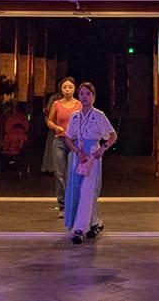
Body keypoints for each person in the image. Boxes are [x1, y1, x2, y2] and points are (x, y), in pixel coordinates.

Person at [62, 81, 117, 244]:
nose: (84, 97)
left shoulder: (99, 115)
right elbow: (68, 138)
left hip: (92, 156)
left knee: (87, 191)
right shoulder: (75, 116)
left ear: (93, 97)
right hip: (78, 156)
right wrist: (77, 152)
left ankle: (80, 229)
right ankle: (95, 222)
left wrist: (102, 148)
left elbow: (113, 136)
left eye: (88, 94)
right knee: (78, 190)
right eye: (82, 94)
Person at [43, 78, 81, 215]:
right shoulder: (56, 104)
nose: (67, 90)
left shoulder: (79, 105)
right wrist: (56, 127)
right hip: (59, 141)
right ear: (61, 89)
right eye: (64, 87)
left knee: (71, 173)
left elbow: (84, 121)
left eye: (70, 87)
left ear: (74, 88)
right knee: (60, 174)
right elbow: (49, 121)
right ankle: (63, 206)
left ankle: (73, 203)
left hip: (74, 142)